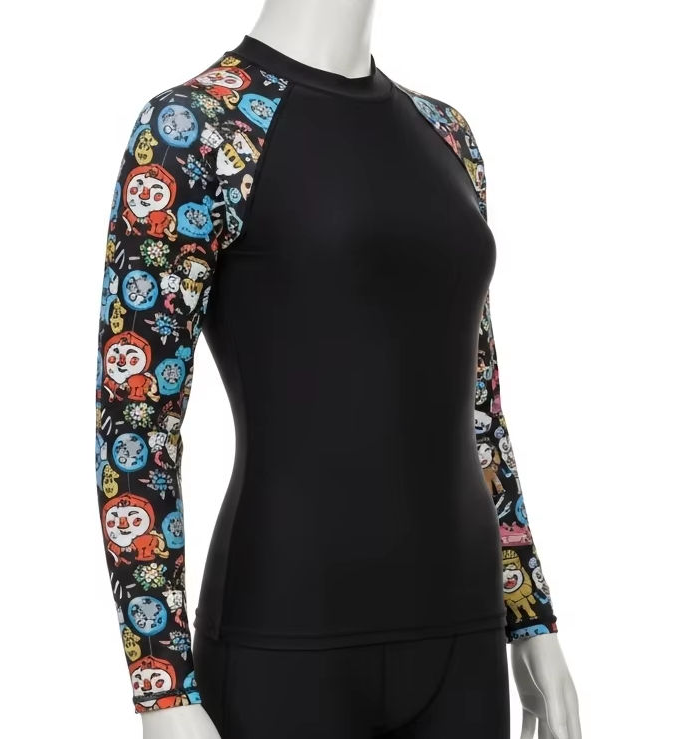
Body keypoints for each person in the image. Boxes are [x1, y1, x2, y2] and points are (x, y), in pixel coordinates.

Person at [94, 2, 582, 737]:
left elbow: (478, 408)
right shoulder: (194, 129)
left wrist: (529, 614)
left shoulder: (446, 134)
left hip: (463, 638)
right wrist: (162, 689)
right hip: (285, 637)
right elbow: (136, 427)